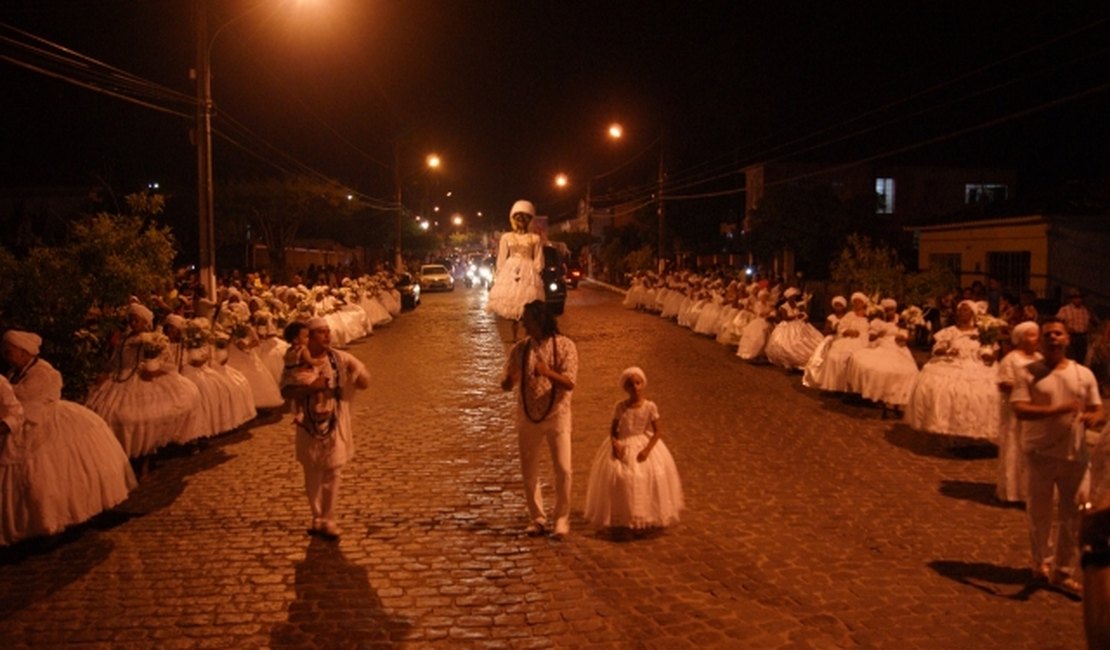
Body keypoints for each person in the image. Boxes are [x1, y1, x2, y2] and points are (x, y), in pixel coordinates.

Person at [1, 330, 136, 545]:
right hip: (20, 422)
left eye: (10, 351)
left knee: (51, 474)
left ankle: (56, 519)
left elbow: (31, 400)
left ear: (24, 351)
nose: (6, 355)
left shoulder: (43, 372)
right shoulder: (13, 373)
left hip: (44, 421)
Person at [1011, 318, 1104, 594]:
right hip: (1040, 453)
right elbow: (1020, 409)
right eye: (1048, 334)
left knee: (1074, 514)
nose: (1053, 338)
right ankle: (1041, 563)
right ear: (1041, 340)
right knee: (1039, 512)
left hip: (1075, 455)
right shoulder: (1029, 373)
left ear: (1067, 339)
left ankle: (1063, 571)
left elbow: (1098, 409)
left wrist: (1092, 418)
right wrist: (1058, 410)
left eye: (1058, 334)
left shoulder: (1083, 374)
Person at [280, 317, 370, 540]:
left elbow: (364, 380)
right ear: (308, 337)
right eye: (321, 332)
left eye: (328, 331)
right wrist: (311, 389)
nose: (327, 336)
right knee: (312, 471)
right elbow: (286, 391)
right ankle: (316, 516)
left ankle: (328, 518)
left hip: (335, 420)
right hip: (309, 423)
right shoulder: (298, 361)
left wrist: (358, 376)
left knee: (333, 469)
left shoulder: (339, 357)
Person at [499, 300, 578, 539]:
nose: (524, 324)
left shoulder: (565, 346)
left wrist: (547, 373)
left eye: (528, 319)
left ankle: (562, 518)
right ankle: (537, 518)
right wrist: (509, 380)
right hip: (527, 415)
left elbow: (569, 383)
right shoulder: (521, 349)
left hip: (557, 415)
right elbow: (506, 383)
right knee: (529, 469)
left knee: (564, 468)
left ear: (541, 320)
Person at [583, 367, 684, 532]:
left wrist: (647, 449)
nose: (635, 387)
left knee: (649, 475)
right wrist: (615, 444)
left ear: (643, 384)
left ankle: (645, 513)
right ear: (626, 388)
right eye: (631, 385)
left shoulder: (650, 407)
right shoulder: (620, 407)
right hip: (624, 442)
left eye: (638, 383)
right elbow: (613, 430)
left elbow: (658, 431)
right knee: (620, 477)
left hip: (643, 443)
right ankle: (626, 514)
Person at [995, 321, 1041, 504]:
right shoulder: (1011, 359)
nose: (1035, 339)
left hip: (1036, 409)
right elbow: (1003, 383)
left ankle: (1031, 490)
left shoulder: (1039, 357)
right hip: (1017, 411)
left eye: (1036, 335)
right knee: (1017, 445)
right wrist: (1025, 387)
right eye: (1031, 335)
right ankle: (1014, 490)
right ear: (1020, 338)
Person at [486, 200, 545, 335]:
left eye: (524, 219)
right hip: (510, 269)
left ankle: (527, 332)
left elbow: (538, 257)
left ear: (529, 221)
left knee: (527, 303)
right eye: (518, 219)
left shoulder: (535, 238)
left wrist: (536, 272)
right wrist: (500, 274)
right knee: (513, 301)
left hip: (528, 270)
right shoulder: (506, 237)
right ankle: (514, 333)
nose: (520, 222)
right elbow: (501, 257)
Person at [1057, 289, 1094, 366]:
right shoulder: (1065, 309)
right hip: (1071, 336)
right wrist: (1066, 328)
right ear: (1071, 299)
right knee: (1070, 357)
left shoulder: (1085, 310)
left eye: (1080, 298)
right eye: (1076, 298)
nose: (1078, 300)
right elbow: (1058, 321)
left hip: (1082, 336)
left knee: (1081, 357)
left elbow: (1089, 322)